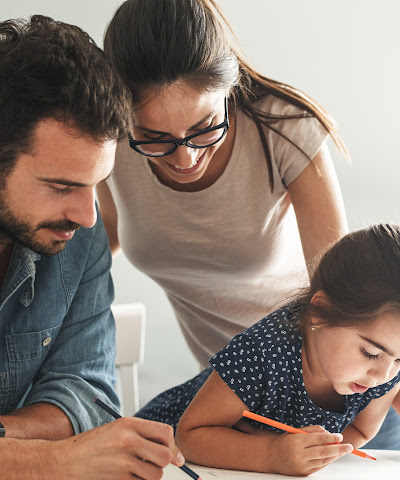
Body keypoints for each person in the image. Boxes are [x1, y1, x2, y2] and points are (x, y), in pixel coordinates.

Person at [97, 0, 400, 448]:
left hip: (339, 403)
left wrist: (385, 360)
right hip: (237, 406)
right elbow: (107, 237)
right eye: (154, 139)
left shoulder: (284, 131)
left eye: (205, 127)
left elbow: (343, 288)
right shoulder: (111, 145)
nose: (185, 158)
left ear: (229, 89)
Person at [0, 15, 183, 478]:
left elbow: (88, 394)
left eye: (97, 184)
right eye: (62, 187)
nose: (88, 216)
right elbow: (74, 437)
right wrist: (52, 460)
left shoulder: (79, 237)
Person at [134, 224, 400, 476]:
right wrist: (273, 454)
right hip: (160, 455)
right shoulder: (261, 352)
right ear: (321, 311)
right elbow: (191, 435)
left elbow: (360, 431)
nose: (383, 375)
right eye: (370, 353)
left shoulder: (383, 369)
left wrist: (314, 451)